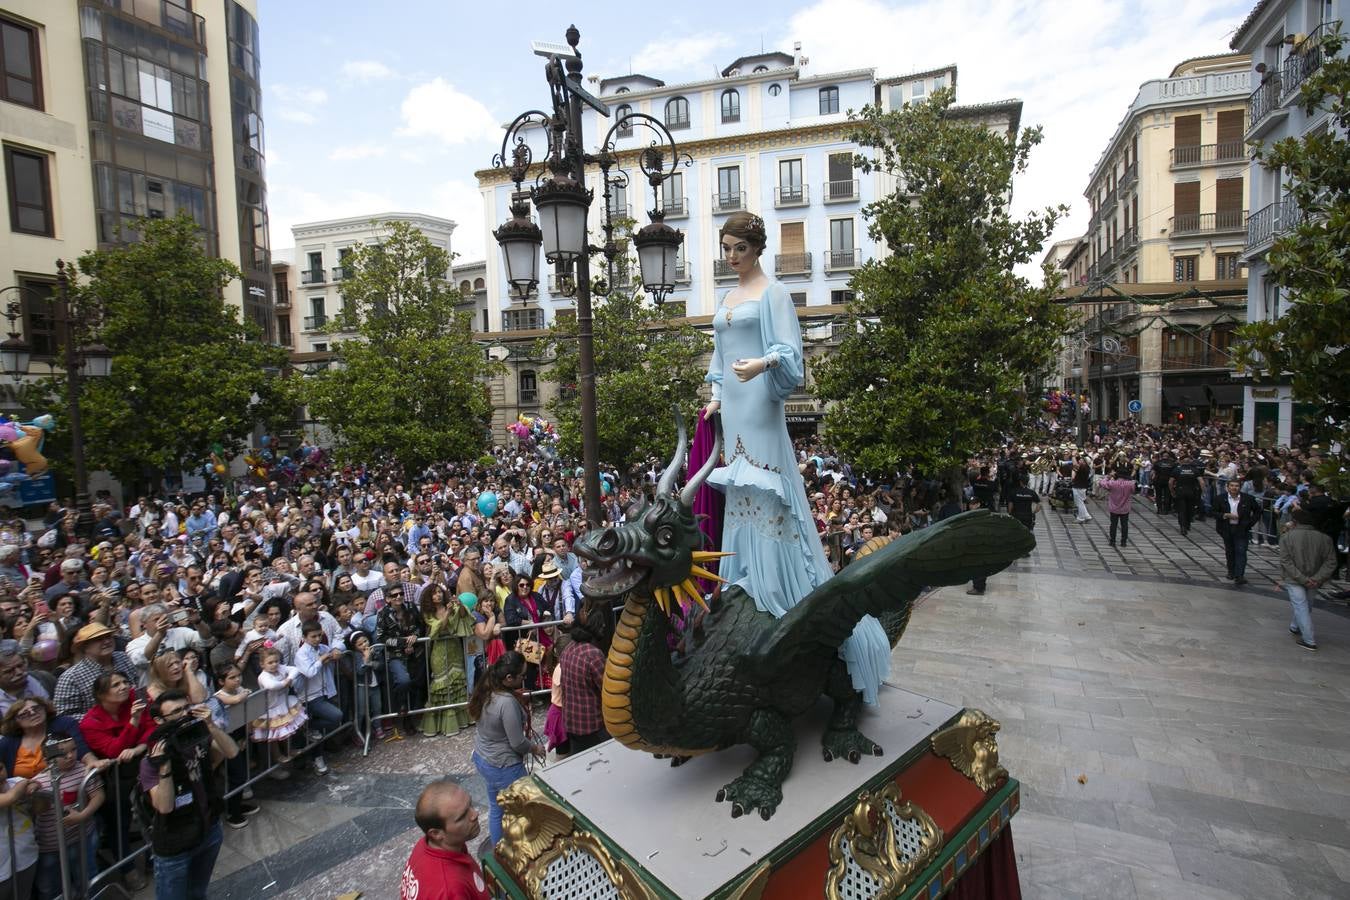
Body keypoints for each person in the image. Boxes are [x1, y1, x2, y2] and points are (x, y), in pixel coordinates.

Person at [702, 211, 889, 704]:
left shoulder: (775, 293)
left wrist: (763, 364)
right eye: (725, 247)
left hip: (762, 402)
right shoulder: (725, 299)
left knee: (766, 490)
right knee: (740, 492)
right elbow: (719, 358)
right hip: (735, 408)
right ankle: (743, 582)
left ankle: (775, 592)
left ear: (756, 249)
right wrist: (716, 395)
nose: (730, 256)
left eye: (738, 248)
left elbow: (790, 354)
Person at [138, 689, 239, 900]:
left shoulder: (197, 737)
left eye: (186, 708)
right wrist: (164, 767)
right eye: (176, 712)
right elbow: (164, 807)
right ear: (159, 720)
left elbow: (231, 751)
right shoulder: (151, 761)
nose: (184, 715)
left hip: (209, 830)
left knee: (197, 893)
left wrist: (211, 726)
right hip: (175, 845)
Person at [468, 652, 541, 849]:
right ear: (509, 678)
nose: (524, 679)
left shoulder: (487, 690)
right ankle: (526, 853)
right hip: (504, 765)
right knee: (528, 808)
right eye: (522, 676)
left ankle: (498, 850)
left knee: (496, 808)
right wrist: (535, 748)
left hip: (484, 759)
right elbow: (517, 742)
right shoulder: (506, 702)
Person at [401, 778, 488, 900]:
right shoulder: (450, 891)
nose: (475, 814)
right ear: (436, 833)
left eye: (470, 804)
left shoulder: (424, 845)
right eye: (462, 816)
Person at [1279, 507, 1338, 651]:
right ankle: (1295, 626)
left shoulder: (1287, 537)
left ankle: (1309, 639)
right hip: (1315, 579)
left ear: (1294, 521)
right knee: (1306, 605)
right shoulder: (1325, 538)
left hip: (1295, 578)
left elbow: (1286, 561)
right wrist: (1317, 578)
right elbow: (1331, 562)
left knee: (1301, 606)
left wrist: (1302, 578)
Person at [558, 617, 607, 754]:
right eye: (601, 625)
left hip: (571, 722)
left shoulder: (568, 649)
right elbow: (607, 689)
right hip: (592, 725)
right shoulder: (593, 654)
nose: (604, 626)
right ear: (594, 628)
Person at [1216, 479, 1261, 585]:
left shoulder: (1248, 499)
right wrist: (1225, 515)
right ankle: (1231, 571)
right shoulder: (1220, 498)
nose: (1234, 488)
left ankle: (1239, 574)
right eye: (1231, 485)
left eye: (1236, 486)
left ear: (1239, 487)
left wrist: (1250, 523)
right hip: (1226, 528)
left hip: (1241, 528)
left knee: (1241, 551)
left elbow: (1257, 511)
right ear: (1228, 487)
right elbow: (1214, 511)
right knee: (1230, 551)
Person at [1100, 467, 1137, 548]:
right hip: (1125, 507)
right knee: (1124, 525)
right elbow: (1133, 490)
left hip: (1114, 507)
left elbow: (1102, 483)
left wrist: (1108, 477)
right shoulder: (1130, 484)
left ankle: (1112, 541)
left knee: (1113, 524)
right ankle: (1123, 541)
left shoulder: (1112, 483)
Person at [1171, 451, 1203, 536]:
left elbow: (1170, 482)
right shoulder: (1194, 470)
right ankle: (1188, 524)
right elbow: (1201, 482)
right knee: (1189, 509)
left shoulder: (1177, 469)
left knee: (1181, 510)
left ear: (1181, 461)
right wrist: (1203, 491)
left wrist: (1172, 491)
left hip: (1180, 491)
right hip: (1192, 491)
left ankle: (1182, 527)